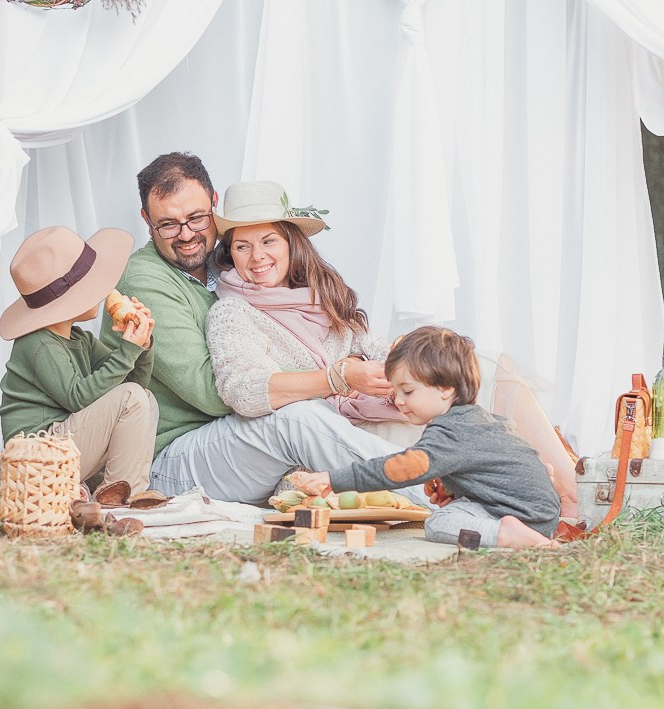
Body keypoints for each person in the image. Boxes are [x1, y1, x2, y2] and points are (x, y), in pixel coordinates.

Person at [101, 153, 427, 506]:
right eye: (168, 224)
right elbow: (216, 395)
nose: (186, 235)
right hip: (172, 457)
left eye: (196, 218)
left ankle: (470, 466)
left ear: (214, 205)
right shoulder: (147, 280)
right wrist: (337, 378)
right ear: (146, 220)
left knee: (424, 385)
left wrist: (393, 360)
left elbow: (348, 337)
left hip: (242, 441)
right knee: (297, 418)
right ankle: (438, 493)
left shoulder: (229, 265)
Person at [289, 326, 561, 549]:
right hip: (540, 515)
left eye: (408, 391)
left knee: (439, 522)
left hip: (526, 518)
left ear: (445, 388)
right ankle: (508, 530)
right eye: (395, 391)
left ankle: (503, 535)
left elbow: (400, 469)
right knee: (454, 508)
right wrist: (454, 489)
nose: (399, 400)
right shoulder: (481, 421)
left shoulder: (451, 431)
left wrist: (335, 479)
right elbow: (499, 471)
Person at [206, 179, 417, 446]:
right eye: (242, 246)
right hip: (310, 437)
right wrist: (340, 378)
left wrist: (398, 368)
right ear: (231, 254)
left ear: (290, 244)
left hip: (363, 413)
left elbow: (370, 344)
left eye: (268, 241)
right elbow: (244, 391)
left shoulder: (319, 293)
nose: (257, 256)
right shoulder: (232, 312)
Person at [0, 226, 157, 505]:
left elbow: (133, 383)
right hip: (36, 455)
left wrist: (140, 346)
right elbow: (78, 397)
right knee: (132, 397)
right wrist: (126, 351)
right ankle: (121, 501)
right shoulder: (38, 343)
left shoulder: (78, 338)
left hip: (62, 445)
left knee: (144, 398)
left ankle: (121, 492)